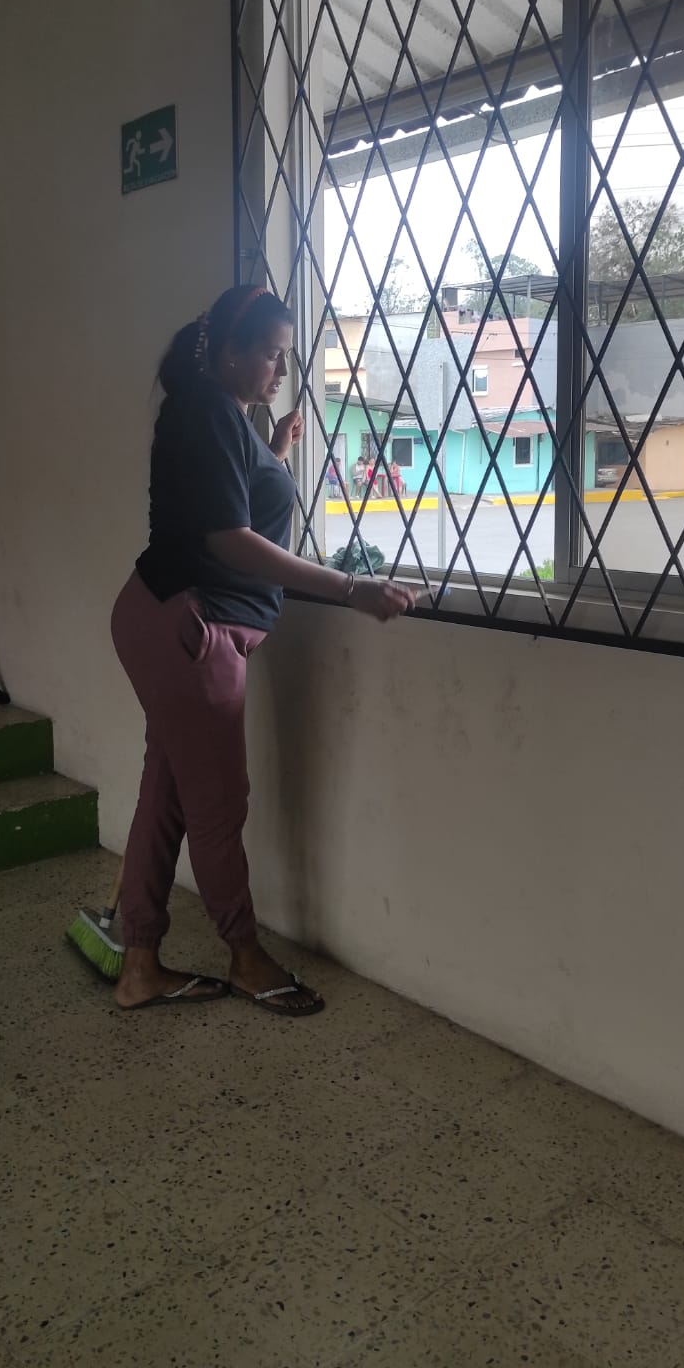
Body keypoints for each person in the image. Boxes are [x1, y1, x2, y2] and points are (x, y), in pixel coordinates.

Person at [111, 284, 416, 1017]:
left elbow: (222, 498)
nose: (281, 369)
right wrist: (350, 587)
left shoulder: (214, 412)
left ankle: (140, 964)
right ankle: (245, 957)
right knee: (218, 805)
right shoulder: (210, 411)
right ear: (228, 352)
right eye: (272, 354)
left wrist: (273, 450)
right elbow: (228, 539)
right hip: (193, 628)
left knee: (167, 793)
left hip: (160, 614)